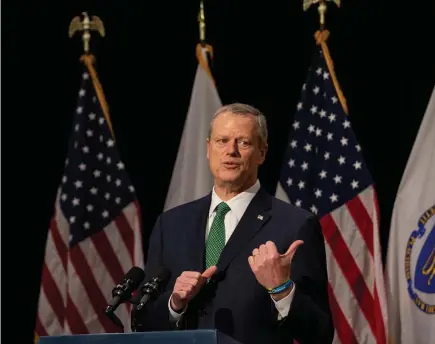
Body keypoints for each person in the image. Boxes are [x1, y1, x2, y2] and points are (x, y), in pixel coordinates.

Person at [132, 103, 334, 344]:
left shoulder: (295, 225)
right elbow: (142, 320)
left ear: (262, 152)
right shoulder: (171, 224)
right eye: (222, 141)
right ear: (208, 149)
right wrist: (174, 304)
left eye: (244, 142)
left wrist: (282, 290)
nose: (231, 151)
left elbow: (320, 333)